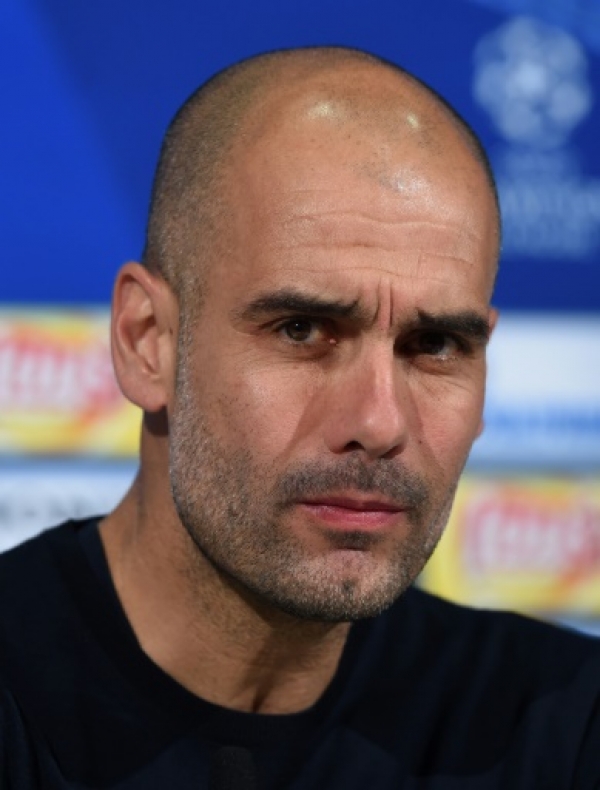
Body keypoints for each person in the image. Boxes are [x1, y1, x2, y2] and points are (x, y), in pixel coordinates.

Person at [1, 46, 599, 789]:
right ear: (145, 342)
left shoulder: (564, 727)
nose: (380, 423)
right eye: (301, 330)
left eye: (435, 345)